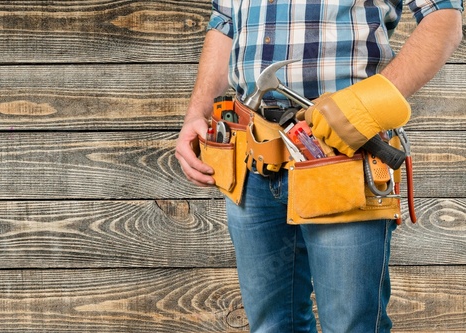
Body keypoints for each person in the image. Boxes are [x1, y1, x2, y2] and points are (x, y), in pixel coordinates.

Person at [176, 1, 463, 332]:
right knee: (271, 326)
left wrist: (364, 107)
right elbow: (224, 22)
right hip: (251, 152)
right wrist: (196, 112)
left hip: (344, 156)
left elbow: (444, 19)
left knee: (350, 326)